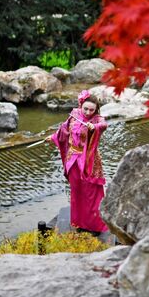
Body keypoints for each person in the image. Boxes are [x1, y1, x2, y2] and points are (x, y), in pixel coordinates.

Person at [49, 89, 109, 234]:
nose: (88, 112)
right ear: (81, 106)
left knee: (91, 193)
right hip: (73, 159)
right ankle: (79, 223)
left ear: (96, 110)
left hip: (88, 160)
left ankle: (96, 225)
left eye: (92, 110)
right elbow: (63, 130)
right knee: (76, 191)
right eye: (86, 109)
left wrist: (93, 127)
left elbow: (103, 125)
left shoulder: (97, 120)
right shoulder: (74, 115)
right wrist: (52, 137)